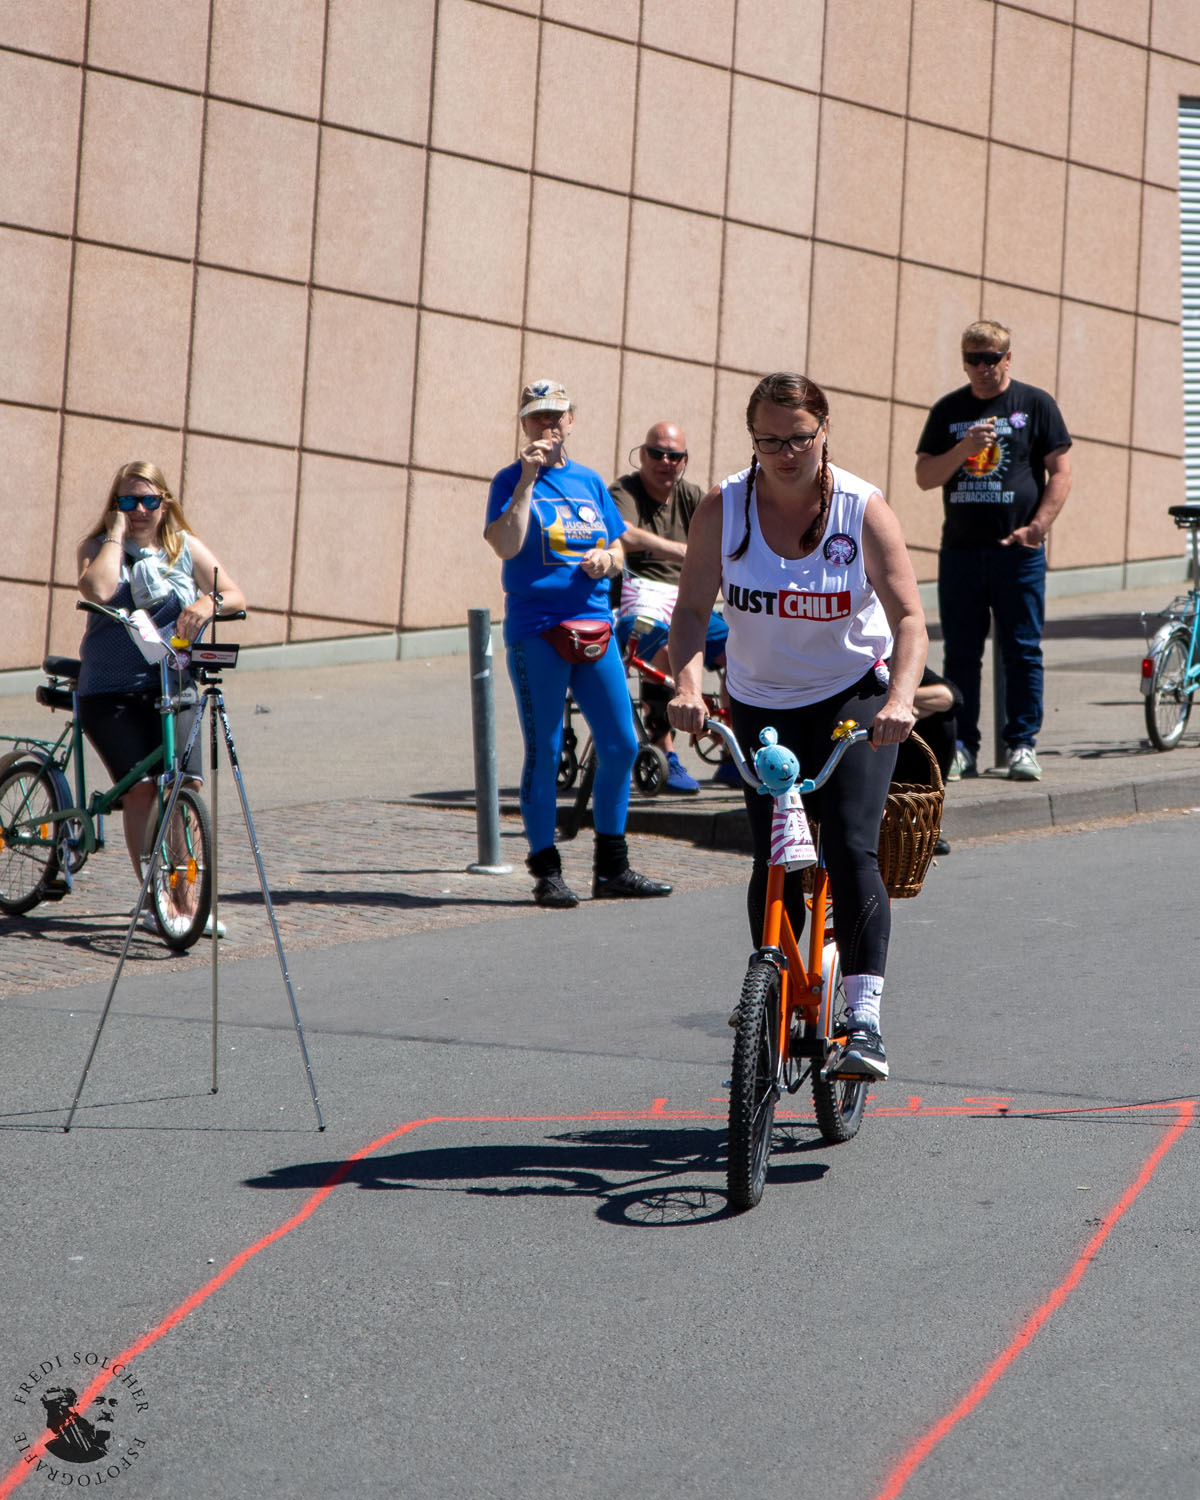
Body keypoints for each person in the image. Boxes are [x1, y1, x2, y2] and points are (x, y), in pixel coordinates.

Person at [668, 372, 927, 1079]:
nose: (785, 454)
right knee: (778, 857)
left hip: (850, 699)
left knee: (846, 846)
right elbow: (691, 611)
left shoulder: (861, 510)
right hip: (759, 703)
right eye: (769, 440)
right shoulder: (725, 507)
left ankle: (863, 1018)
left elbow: (908, 618)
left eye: (799, 439)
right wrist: (689, 685)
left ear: (825, 431)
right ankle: (773, 990)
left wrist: (900, 700)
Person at [484, 379, 672, 909]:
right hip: (538, 630)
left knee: (621, 744)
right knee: (543, 750)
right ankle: (546, 870)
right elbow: (505, 543)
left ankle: (612, 867)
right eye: (536, 417)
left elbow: (616, 545)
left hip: (596, 626)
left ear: (571, 421)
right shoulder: (507, 480)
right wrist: (525, 481)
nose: (547, 425)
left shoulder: (589, 482)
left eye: (555, 416)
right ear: (524, 425)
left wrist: (608, 561)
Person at [77, 461, 246, 933]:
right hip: (112, 691)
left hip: (174, 684)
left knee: (183, 785)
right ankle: (156, 903)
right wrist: (114, 534)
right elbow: (100, 588)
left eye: (149, 501)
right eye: (127, 502)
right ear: (115, 506)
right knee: (143, 789)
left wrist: (203, 603)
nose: (139, 511)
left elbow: (235, 595)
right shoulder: (97, 549)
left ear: (165, 503)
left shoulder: (183, 548)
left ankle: (186, 898)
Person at [915, 319, 1072, 782]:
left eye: (990, 358)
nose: (981, 368)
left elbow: (1061, 471)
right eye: (972, 359)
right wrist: (964, 447)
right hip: (962, 552)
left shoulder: (1035, 404)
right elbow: (925, 477)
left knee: (1022, 649)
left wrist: (1038, 527)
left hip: (1017, 553)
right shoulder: (950, 410)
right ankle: (963, 745)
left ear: (1008, 358)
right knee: (961, 653)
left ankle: (1022, 743)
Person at [609, 422, 729, 794]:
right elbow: (624, 533)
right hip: (640, 598)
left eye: (674, 455)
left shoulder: (693, 496)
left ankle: (735, 749)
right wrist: (682, 550)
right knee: (662, 654)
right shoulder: (624, 490)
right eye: (657, 453)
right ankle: (665, 751)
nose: (665, 461)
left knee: (741, 648)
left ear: (684, 461)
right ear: (642, 455)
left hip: (688, 598)